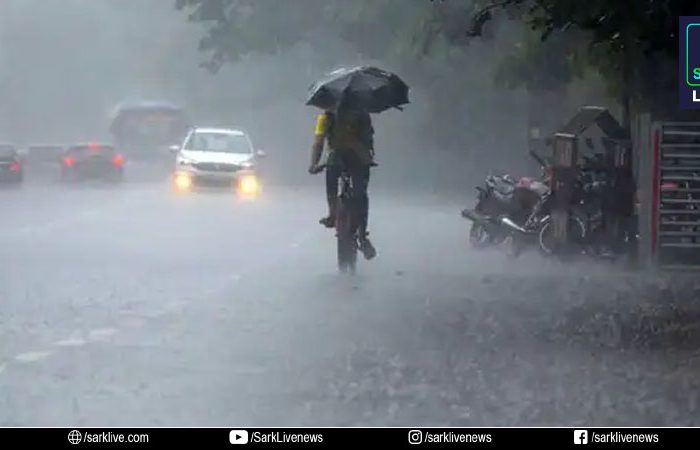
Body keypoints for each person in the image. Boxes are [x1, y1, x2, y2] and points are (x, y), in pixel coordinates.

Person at [308, 98, 376, 260]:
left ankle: (334, 215)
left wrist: (314, 164)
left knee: (342, 185)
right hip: (354, 160)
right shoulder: (361, 115)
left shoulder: (328, 117)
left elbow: (318, 143)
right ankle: (362, 236)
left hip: (348, 159)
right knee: (360, 193)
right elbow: (369, 144)